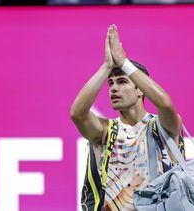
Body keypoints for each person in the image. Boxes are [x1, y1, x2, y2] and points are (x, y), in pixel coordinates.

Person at [70, 24, 185, 211]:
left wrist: (123, 63)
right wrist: (107, 66)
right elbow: (77, 113)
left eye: (122, 82)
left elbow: (165, 104)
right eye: (110, 84)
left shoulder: (163, 126)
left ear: (140, 90)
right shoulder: (105, 130)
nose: (114, 89)